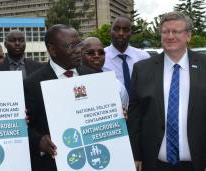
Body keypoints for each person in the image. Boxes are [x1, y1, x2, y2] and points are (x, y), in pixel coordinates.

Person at [127, 11, 206, 171]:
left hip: (201, 163)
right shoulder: (142, 69)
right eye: (165, 32)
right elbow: (135, 116)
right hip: (155, 163)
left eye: (176, 31)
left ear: (188, 36)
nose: (170, 36)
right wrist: (135, 154)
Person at [24, 24, 95, 171]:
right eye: (71, 46)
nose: (78, 50)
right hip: (54, 164)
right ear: (52, 50)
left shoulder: (93, 76)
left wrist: (117, 114)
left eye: (79, 44)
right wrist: (39, 141)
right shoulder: (33, 83)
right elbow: (24, 127)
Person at [103, 14, 149, 94]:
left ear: (131, 33)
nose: (121, 33)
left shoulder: (143, 57)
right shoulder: (100, 57)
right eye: (116, 29)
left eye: (125, 30)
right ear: (110, 31)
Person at [81, 36, 129, 115]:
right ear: (80, 54)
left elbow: (124, 109)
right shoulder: (70, 82)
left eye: (101, 52)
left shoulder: (116, 85)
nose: (97, 56)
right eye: (90, 53)